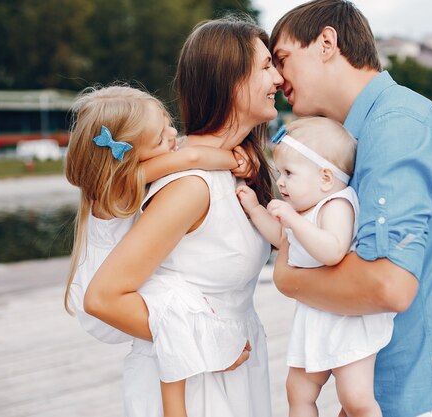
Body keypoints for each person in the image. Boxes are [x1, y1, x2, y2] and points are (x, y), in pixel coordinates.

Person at [268, 1, 432, 417]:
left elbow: (388, 285)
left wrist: (287, 276)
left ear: (327, 42)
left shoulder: (395, 125)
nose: (277, 77)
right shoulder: (375, 127)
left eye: (282, 58)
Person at [83, 15, 284, 417]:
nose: (278, 78)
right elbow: (103, 299)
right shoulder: (191, 187)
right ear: (229, 81)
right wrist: (211, 346)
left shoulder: (234, 168)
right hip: (195, 383)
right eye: (265, 67)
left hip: (233, 368)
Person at [63, 85, 258, 416]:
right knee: (174, 305)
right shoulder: (122, 183)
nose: (172, 135)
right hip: (99, 299)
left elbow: (184, 153)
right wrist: (235, 161)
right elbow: (191, 157)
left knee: (173, 305)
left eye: (168, 121)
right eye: (158, 139)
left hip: (119, 287)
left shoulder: (124, 174)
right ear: (127, 154)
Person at [237, 116, 393, 417]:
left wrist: (293, 219)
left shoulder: (337, 204)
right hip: (315, 315)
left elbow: (333, 250)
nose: (280, 182)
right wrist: (256, 210)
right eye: (280, 172)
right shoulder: (303, 209)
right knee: (298, 391)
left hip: (346, 317)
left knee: (355, 397)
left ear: (324, 178)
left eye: (289, 173)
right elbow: (284, 240)